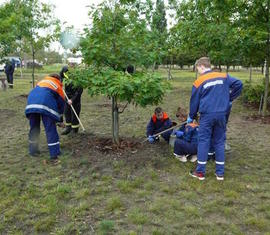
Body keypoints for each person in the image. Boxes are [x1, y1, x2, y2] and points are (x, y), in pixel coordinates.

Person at [188, 57, 243, 181]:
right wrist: (229, 98)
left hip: (206, 116)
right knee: (219, 142)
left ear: (202, 66)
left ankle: (200, 172)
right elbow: (239, 84)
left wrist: (191, 116)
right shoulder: (223, 76)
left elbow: (194, 101)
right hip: (222, 114)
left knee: (204, 141)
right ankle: (220, 174)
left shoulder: (199, 81)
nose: (198, 71)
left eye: (197, 68)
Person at [25, 74, 65, 164]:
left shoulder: (41, 82)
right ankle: (54, 154)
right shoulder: (58, 85)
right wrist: (60, 119)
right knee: (50, 129)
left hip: (31, 105)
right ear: (59, 79)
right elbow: (62, 104)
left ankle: (33, 151)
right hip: (46, 105)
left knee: (34, 128)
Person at [60, 65, 83, 135]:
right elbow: (60, 75)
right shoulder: (64, 71)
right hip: (67, 96)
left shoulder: (77, 78)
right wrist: (60, 82)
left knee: (74, 114)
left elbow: (79, 91)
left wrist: (72, 100)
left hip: (75, 98)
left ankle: (74, 130)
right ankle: (68, 128)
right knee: (66, 113)